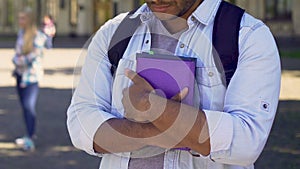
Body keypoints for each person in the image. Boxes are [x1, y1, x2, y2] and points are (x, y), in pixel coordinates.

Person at [67, 0, 281, 169]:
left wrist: (152, 108)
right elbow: (81, 126)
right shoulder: (113, 33)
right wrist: (165, 129)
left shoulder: (247, 36)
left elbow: (246, 143)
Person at [13, 7, 47, 151]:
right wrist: (17, 59)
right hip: (20, 75)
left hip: (31, 77)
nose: (20, 21)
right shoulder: (21, 34)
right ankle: (27, 134)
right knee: (24, 107)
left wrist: (18, 60)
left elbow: (34, 55)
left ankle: (30, 138)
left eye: (23, 18)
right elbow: (18, 53)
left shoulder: (38, 36)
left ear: (29, 20)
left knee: (29, 107)